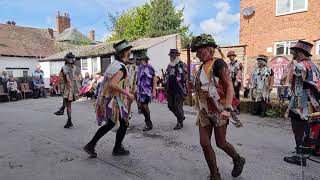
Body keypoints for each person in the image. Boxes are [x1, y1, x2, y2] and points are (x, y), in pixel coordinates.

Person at [190, 34, 245, 180]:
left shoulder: (219, 63)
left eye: (200, 51)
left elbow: (229, 86)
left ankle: (238, 159)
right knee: (204, 143)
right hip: (204, 110)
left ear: (210, 50)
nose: (197, 54)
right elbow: (202, 87)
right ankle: (215, 174)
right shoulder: (201, 67)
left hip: (219, 109)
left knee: (221, 143)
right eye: (197, 52)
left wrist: (227, 109)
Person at [83, 40, 135, 157]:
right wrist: (128, 94)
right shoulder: (121, 68)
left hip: (108, 99)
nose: (130, 54)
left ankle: (92, 145)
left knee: (111, 124)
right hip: (115, 101)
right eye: (129, 52)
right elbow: (112, 84)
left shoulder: (114, 64)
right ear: (124, 53)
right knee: (123, 123)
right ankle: (115, 149)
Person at [283, 40, 320, 166]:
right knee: (306, 128)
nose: (293, 54)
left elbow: (288, 80)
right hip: (312, 102)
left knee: (298, 128)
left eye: (294, 52)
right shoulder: (314, 66)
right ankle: (303, 151)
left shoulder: (299, 66)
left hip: (301, 103)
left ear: (300, 53)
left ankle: (300, 156)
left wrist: (289, 68)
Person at [54, 53, 81, 128]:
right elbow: (79, 79)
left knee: (68, 105)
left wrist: (53, 86)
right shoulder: (77, 68)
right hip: (75, 90)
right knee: (67, 103)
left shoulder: (64, 68)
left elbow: (59, 80)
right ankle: (62, 110)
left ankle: (68, 120)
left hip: (68, 90)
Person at [164, 49, 187, 130]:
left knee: (178, 106)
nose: (171, 57)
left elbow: (185, 77)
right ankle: (181, 116)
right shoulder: (169, 65)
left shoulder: (181, 64)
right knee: (170, 106)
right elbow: (167, 76)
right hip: (170, 89)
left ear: (177, 56)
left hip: (179, 89)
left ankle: (180, 122)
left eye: (173, 55)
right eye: (170, 56)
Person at [136, 52, 157, 131]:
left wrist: (154, 90)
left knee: (144, 106)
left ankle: (148, 123)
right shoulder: (140, 68)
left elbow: (154, 79)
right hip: (140, 90)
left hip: (147, 90)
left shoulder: (149, 68)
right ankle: (147, 121)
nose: (139, 61)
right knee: (140, 106)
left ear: (144, 60)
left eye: (140, 60)